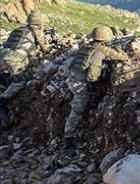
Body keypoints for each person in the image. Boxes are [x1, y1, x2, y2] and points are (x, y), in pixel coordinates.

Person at [62, 26, 129, 155]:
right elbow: (123, 57)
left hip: (71, 79)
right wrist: (117, 47)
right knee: (76, 111)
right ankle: (67, 142)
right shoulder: (103, 49)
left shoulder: (86, 47)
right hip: (79, 86)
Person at [0, 12, 52, 120]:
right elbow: (45, 48)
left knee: (7, 76)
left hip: (3, 56)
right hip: (13, 59)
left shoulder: (18, 30)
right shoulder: (36, 32)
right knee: (21, 81)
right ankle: (2, 101)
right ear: (40, 24)